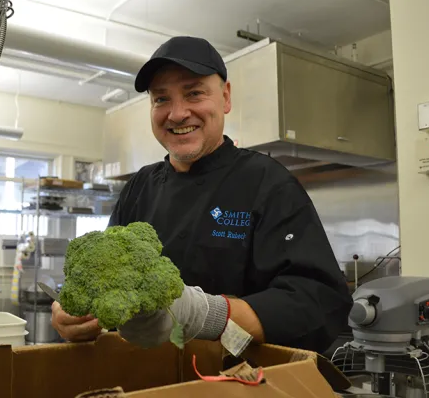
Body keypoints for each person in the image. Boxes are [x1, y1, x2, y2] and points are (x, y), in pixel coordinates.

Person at [51, 36, 353, 353]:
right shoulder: (139, 187)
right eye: (161, 99)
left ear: (225, 97)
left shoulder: (268, 182)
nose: (178, 113)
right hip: (144, 379)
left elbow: (318, 302)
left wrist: (205, 315)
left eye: (194, 93)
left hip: (237, 382)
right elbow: (106, 277)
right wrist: (74, 314)